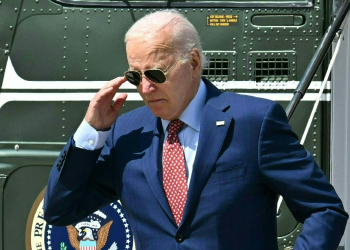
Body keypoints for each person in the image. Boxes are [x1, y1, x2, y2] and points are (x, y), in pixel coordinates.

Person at [44, 9, 348, 249]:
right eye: (135, 76)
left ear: (193, 62)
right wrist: (90, 133)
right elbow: (60, 211)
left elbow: (324, 209)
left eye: (156, 73)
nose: (146, 89)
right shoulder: (126, 133)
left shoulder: (254, 122)